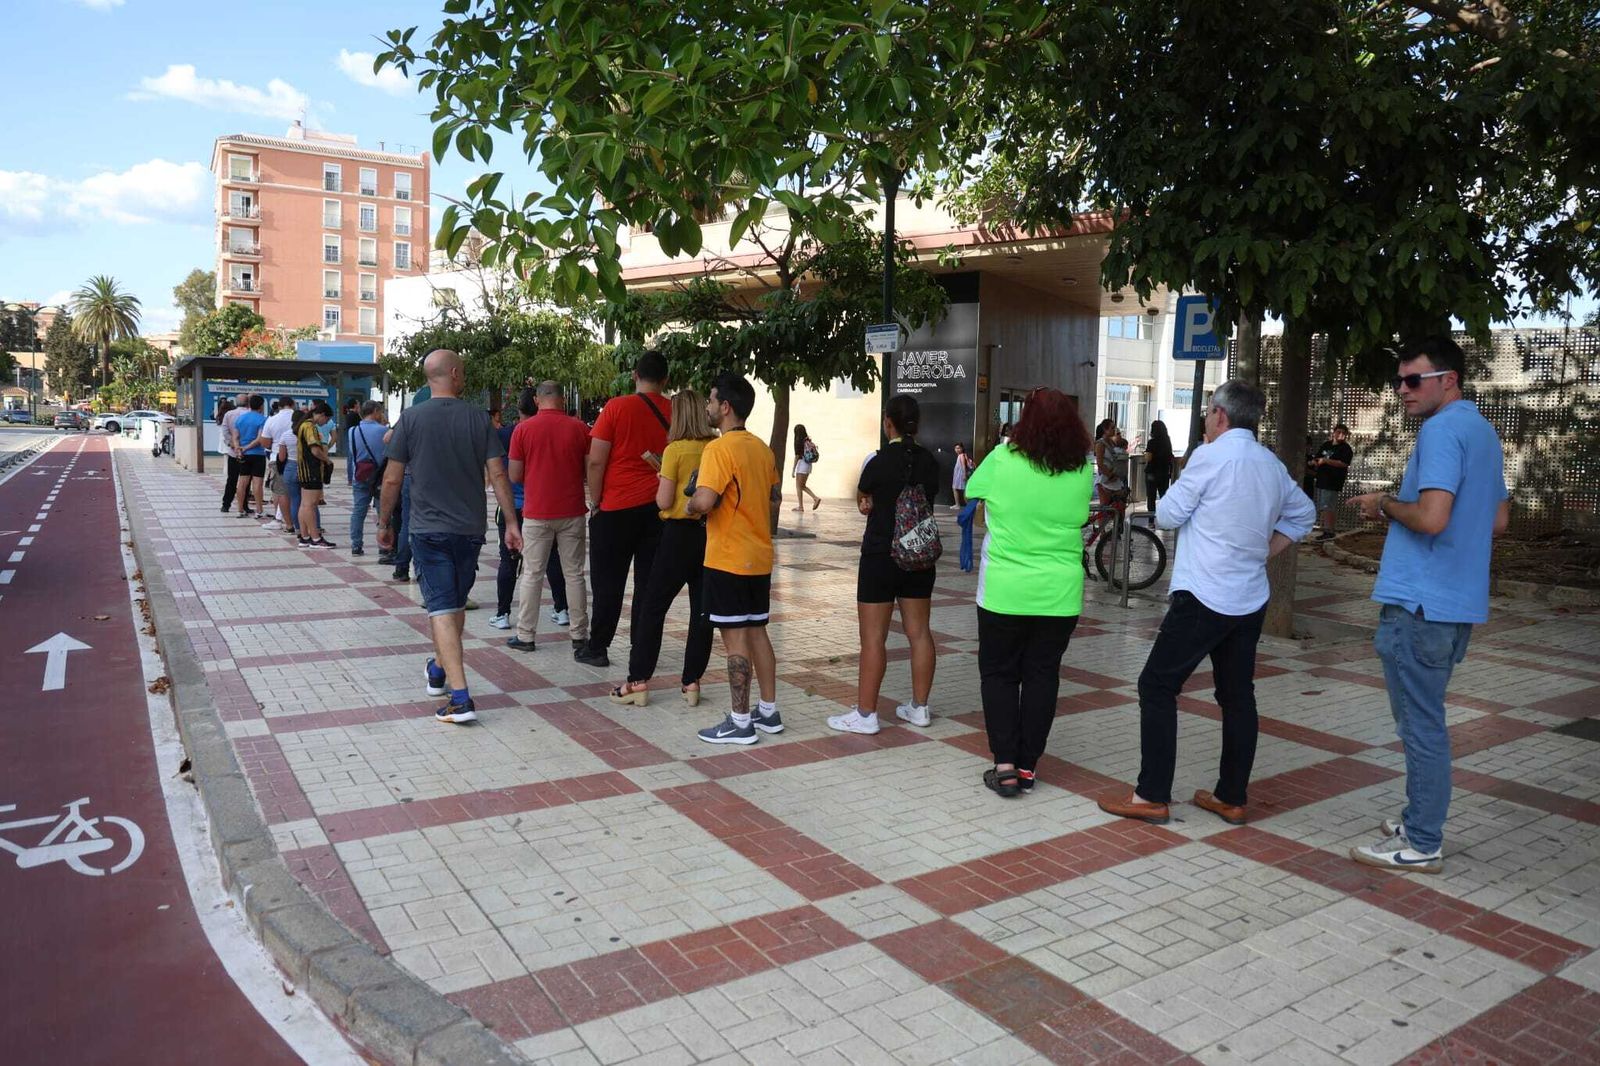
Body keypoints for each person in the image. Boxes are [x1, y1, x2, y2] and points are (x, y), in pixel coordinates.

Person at [1098, 381, 1315, 826]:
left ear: (1219, 414)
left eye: (1208, 412)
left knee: (1156, 686)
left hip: (1203, 596)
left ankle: (1151, 795)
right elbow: (1303, 514)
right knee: (1238, 696)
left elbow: (1168, 515)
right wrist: (1265, 551)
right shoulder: (1271, 465)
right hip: (1249, 597)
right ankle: (1231, 796)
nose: (1205, 420)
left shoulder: (1210, 457)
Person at [1347, 338, 1509, 874]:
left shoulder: (1441, 431)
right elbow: (1497, 520)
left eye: (1414, 380)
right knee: (1425, 721)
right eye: (1400, 381)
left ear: (1449, 380)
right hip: (1455, 601)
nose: (1402, 391)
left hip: (1420, 603)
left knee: (1420, 726)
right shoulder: (1482, 431)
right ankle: (1419, 814)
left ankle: (1421, 841)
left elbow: (1434, 518)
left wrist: (1383, 503)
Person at [377, 350, 521, 725]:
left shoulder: (410, 419)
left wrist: (383, 523)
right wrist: (511, 523)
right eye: (465, 372)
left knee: (442, 607)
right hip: (469, 530)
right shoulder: (478, 420)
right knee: (452, 605)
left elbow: (392, 478)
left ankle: (460, 699)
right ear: (454, 374)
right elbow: (499, 475)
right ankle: (439, 671)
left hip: (427, 529)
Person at [965, 389, 1095, 796]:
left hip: (1005, 590)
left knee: (1000, 674)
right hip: (1059, 594)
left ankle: (1004, 765)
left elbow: (971, 489)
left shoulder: (1003, 460)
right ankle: (1026, 767)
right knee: (1042, 676)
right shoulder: (1081, 469)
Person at [828, 394, 940, 735]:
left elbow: (865, 496)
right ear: (916, 424)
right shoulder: (930, 463)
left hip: (880, 556)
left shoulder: (877, 462)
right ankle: (919, 708)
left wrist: (869, 504)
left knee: (873, 638)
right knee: (919, 633)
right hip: (919, 556)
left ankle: (866, 715)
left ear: (887, 422)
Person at [689, 373, 782, 745]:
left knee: (734, 640)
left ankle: (740, 721)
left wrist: (690, 501)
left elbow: (705, 501)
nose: (708, 407)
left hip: (728, 558)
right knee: (757, 631)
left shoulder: (718, 450)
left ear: (726, 407)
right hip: (759, 558)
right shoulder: (762, 449)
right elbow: (772, 497)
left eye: (711, 401)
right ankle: (768, 712)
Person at [610, 389, 718, 706]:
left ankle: (638, 681)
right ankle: (692, 682)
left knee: (652, 607)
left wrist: (662, 478)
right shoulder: (714, 447)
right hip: (709, 534)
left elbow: (664, 500)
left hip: (676, 535)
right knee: (702, 610)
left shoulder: (674, 450)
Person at [583, 350, 672, 669]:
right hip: (659, 510)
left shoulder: (616, 407)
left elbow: (596, 460)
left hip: (615, 508)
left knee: (608, 583)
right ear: (665, 380)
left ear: (635, 375)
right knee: (648, 584)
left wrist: (597, 501)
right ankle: (642, 647)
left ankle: (598, 648)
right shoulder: (674, 410)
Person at [505, 381, 591, 658]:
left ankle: (525, 635)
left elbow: (515, 475)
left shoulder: (523, 430)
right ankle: (579, 635)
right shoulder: (580, 429)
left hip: (537, 512)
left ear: (538, 400)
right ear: (563, 400)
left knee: (532, 573)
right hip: (572, 510)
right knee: (574, 574)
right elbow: (589, 470)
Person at [491, 391, 571, 630]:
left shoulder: (505, 434)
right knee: (552, 559)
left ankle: (503, 613)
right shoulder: (552, 430)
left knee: (509, 559)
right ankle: (562, 609)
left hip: (511, 507)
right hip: (543, 506)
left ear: (518, 408)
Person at [348, 400, 387, 556]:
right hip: (380, 478)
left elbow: (352, 456)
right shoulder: (383, 431)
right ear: (376, 411)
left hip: (360, 475)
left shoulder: (352, 431)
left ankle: (356, 545)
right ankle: (384, 547)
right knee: (383, 513)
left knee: (358, 511)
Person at [295, 401, 337, 547]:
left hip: (303, 470)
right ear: (322, 415)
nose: (325, 423)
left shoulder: (303, 425)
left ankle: (305, 536)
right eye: (326, 420)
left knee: (304, 504)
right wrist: (327, 460)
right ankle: (315, 538)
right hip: (311, 470)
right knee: (310, 505)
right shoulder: (310, 427)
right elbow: (315, 450)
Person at [1311, 423, 1354, 539]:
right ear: (1334, 432)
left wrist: (1326, 461)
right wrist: (1315, 462)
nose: (1341, 435)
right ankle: (1326, 529)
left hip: (1333, 481)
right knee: (1324, 506)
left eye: (1343, 433)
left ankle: (1329, 531)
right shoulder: (1326, 445)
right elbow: (1318, 457)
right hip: (1322, 480)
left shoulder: (1345, 448)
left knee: (1328, 506)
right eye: (1338, 432)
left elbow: (1343, 463)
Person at [231, 394, 268, 519]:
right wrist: (247, 448)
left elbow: (235, 437)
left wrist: (238, 449)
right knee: (257, 483)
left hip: (243, 455)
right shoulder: (262, 419)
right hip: (258, 454)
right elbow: (259, 438)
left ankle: (240, 510)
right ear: (261, 406)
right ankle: (259, 510)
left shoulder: (240, 419)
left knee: (242, 483)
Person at [1093, 418, 1129, 506]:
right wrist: (1110, 475)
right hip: (1105, 480)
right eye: (1112, 428)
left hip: (1115, 479)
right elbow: (1100, 463)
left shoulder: (1113, 442)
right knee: (1105, 508)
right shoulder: (1100, 444)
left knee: (1119, 507)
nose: (1114, 430)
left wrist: (1118, 434)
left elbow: (1124, 443)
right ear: (1105, 430)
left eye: (1115, 427)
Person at [1143, 420, 1175, 514]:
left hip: (1152, 472)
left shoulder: (1151, 442)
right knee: (1164, 497)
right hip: (1164, 473)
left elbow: (1149, 458)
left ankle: (1151, 522)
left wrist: (1145, 454)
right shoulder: (1167, 442)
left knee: (1151, 498)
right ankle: (1166, 521)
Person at [216, 395, 240, 513]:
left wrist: (231, 443)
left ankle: (226, 504)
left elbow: (225, 431)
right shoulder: (248, 415)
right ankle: (243, 505)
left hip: (232, 449)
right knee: (245, 480)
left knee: (231, 479)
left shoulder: (226, 415)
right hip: (246, 450)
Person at [791, 424, 822, 511]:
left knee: (799, 486)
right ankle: (811, 500)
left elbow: (797, 456)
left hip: (802, 465)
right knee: (802, 486)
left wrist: (793, 470)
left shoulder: (798, 442)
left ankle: (807, 503)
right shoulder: (807, 440)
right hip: (808, 465)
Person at [340, 397, 361, 486]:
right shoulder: (355, 415)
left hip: (350, 438)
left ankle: (350, 479)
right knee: (353, 459)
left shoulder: (349, 414)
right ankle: (352, 478)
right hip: (355, 439)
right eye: (358, 403)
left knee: (350, 458)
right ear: (355, 405)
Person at [951, 442, 975, 508]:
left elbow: (963, 466)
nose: (957, 449)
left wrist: (964, 475)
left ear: (962, 448)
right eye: (956, 448)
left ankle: (959, 505)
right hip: (961, 474)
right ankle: (966, 505)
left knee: (959, 489)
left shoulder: (961, 455)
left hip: (961, 474)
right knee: (963, 489)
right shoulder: (964, 455)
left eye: (959, 448)